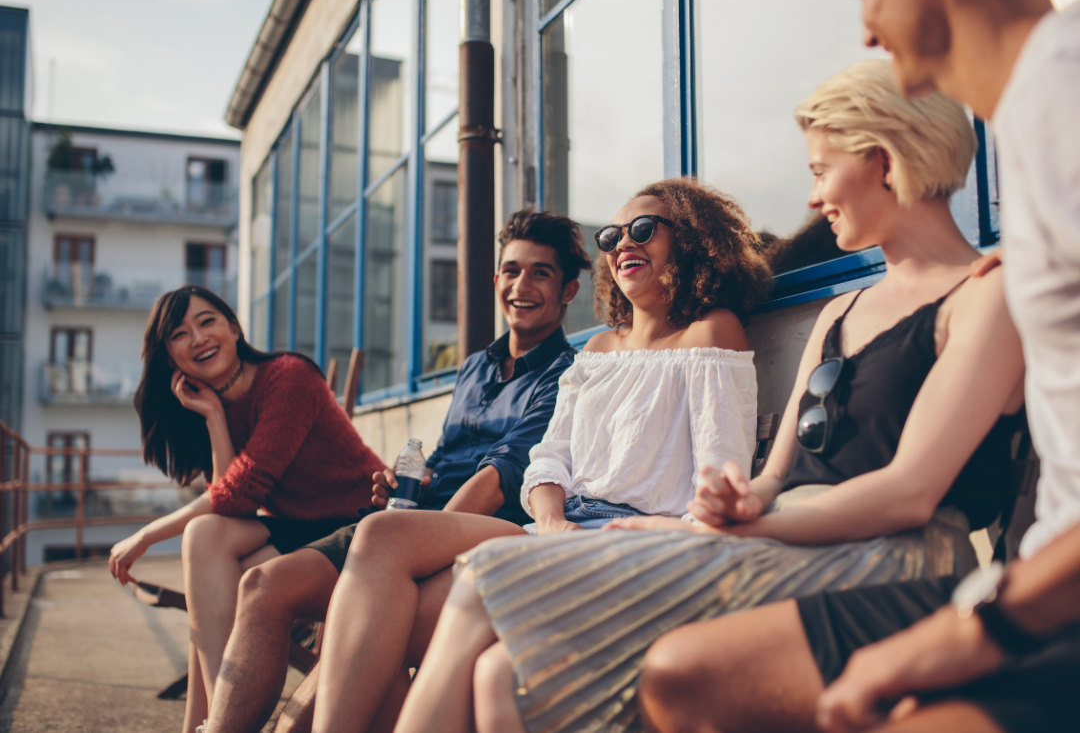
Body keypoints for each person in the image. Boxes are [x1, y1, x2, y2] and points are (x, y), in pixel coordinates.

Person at [390, 59, 1028, 733]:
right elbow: (775, 474)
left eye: (819, 171)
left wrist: (732, 524)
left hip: (883, 551)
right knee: (498, 670)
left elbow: (909, 494)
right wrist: (736, 501)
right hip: (781, 536)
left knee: (483, 589)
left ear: (885, 161)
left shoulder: (983, 296)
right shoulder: (843, 311)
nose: (812, 199)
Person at [636, 0, 1080, 733]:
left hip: (1039, 608)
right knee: (678, 675)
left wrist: (978, 631)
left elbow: (912, 491)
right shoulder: (1037, 130)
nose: (867, 29)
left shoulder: (1062, 107)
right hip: (1035, 587)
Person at [272, 177, 771, 733]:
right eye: (612, 236)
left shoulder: (711, 333)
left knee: (385, 622)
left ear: (691, 241)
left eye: (643, 230)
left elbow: (720, 480)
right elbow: (547, 461)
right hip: (554, 529)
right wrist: (554, 521)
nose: (623, 243)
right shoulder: (600, 348)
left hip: (633, 542)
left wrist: (628, 534)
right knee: (379, 539)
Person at [202, 209, 590, 733]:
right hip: (404, 521)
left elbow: (499, 474)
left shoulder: (565, 373)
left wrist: (418, 539)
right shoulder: (475, 366)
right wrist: (410, 477)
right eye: (512, 270)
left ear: (568, 291)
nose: (522, 285)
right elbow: (451, 455)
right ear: (496, 279)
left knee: (355, 614)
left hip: (477, 530)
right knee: (262, 588)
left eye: (540, 273)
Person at [106, 285, 385, 733]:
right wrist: (215, 416)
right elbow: (228, 504)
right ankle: (220, 717)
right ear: (169, 355)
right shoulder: (212, 401)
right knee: (204, 541)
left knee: (214, 579)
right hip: (298, 526)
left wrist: (145, 535)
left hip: (357, 522)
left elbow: (239, 495)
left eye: (207, 321)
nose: (197, 338)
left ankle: (217, 721)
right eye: (180, 333)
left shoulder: (287, 377)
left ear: (233, 328)